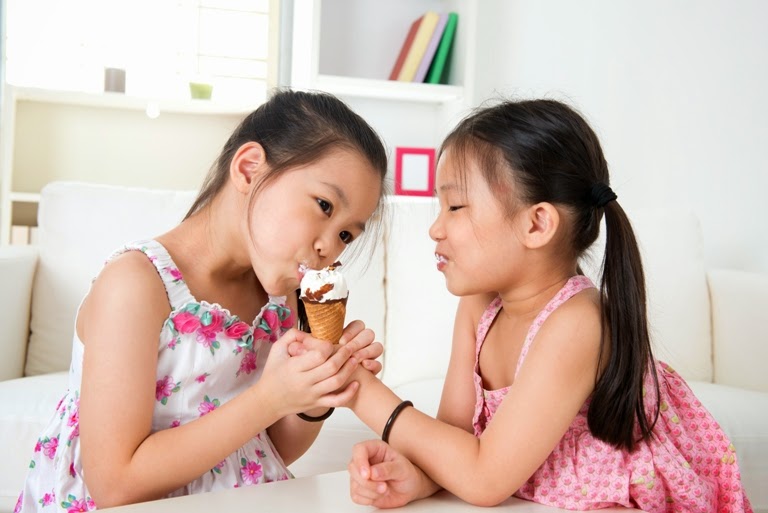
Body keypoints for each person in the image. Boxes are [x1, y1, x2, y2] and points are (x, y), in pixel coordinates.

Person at [343, 99, 753, 512]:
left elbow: (485, 478)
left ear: (537, 224)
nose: (435, 228)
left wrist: (359, 389)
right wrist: (417, 478)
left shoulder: (577, 323)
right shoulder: (478, 306)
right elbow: (453, 437)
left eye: (455, 207)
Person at [14, 89, 389, 512]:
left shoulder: (279, 298)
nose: (329, 248)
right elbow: (115, 485)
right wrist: (269, 398)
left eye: (346, 235)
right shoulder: (136, 285)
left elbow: (270, 449)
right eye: (324, 205)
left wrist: (314, 393)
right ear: (249, 169)